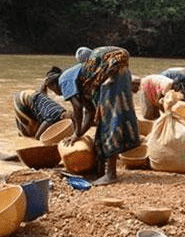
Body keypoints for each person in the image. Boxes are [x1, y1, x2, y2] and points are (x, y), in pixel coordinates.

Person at [45, 46, 141, 186]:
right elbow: (89, 114)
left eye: (52, 90)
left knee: (110, 121)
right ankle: (100, 171)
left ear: (54, 83)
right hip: (119, 72)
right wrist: (79, 134)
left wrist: (77, 133)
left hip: (112, 72)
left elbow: (77, 108)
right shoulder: (82, 81)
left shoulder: (64, 80)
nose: (56, 93)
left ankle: (111, 174)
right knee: (105, 120)